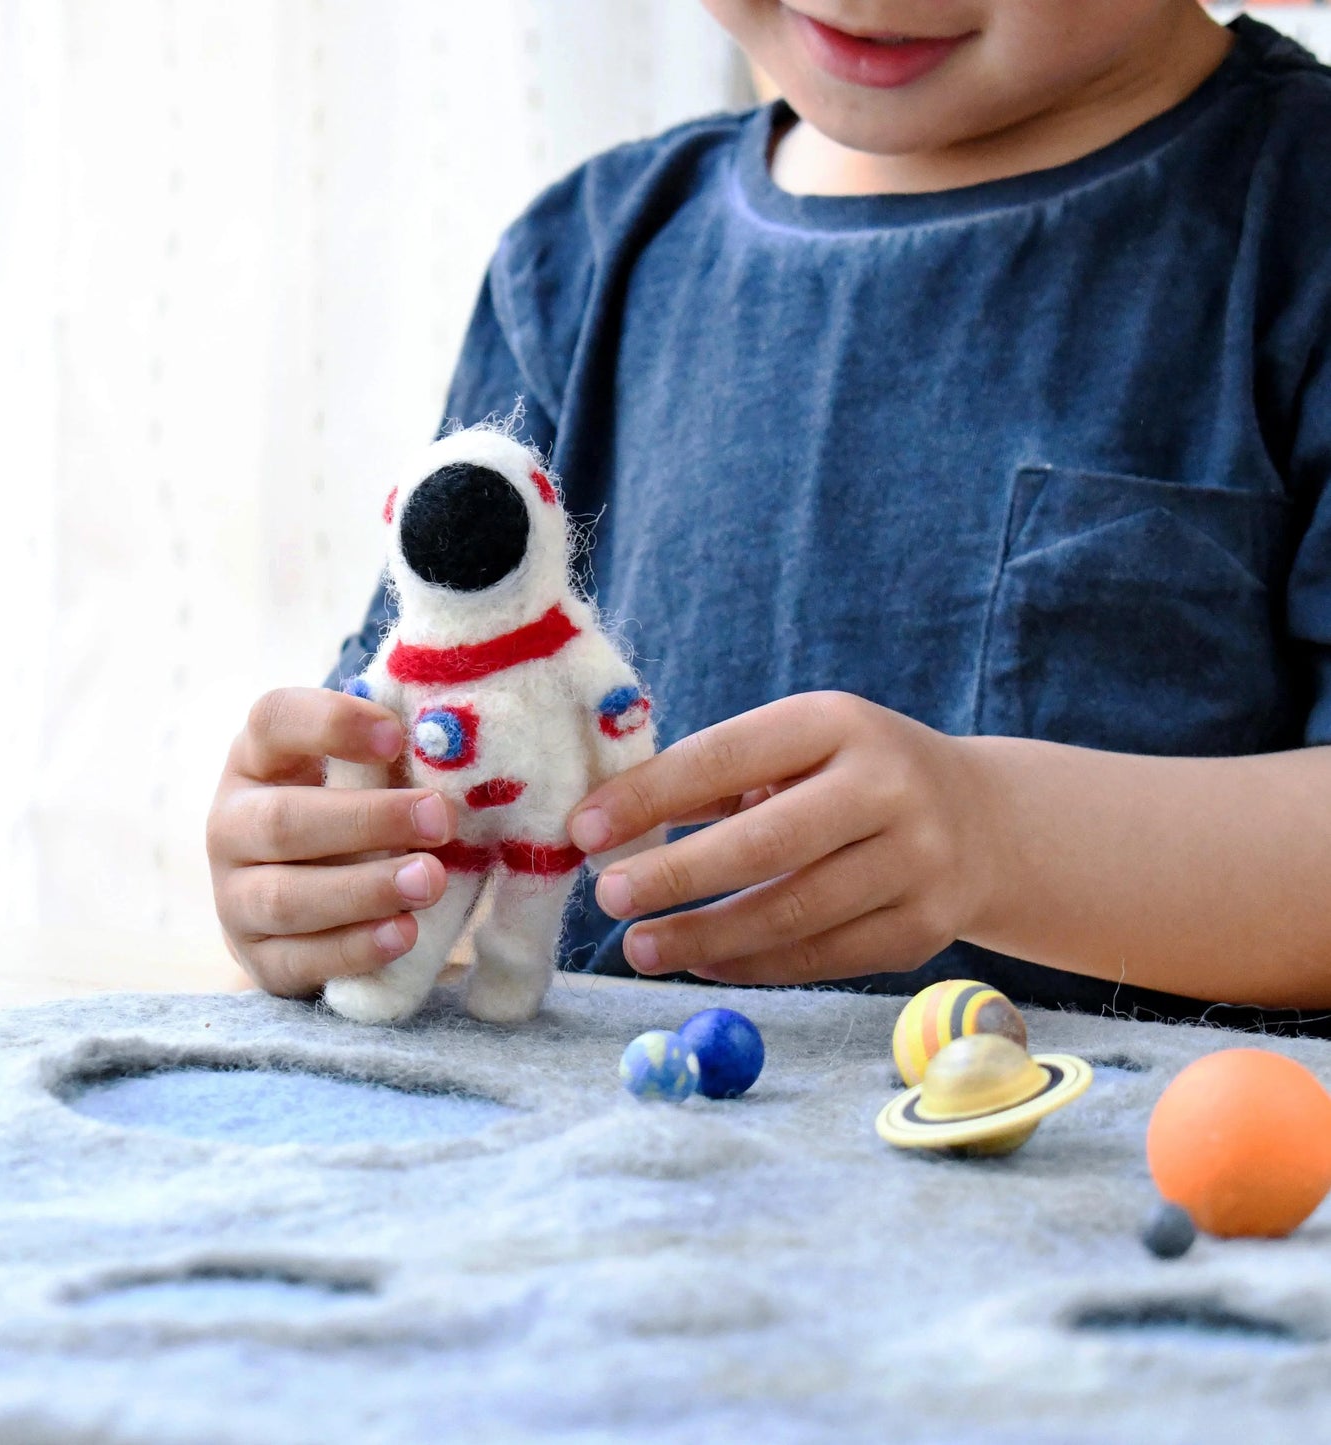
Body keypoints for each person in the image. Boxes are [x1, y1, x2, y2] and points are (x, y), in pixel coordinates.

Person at [207, 1, 1331, 1031]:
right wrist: (316, 879)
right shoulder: (576, 261)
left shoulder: (1296, 224)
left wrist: (998, 837)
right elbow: (405, 736)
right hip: (602, 1160)